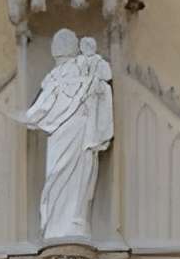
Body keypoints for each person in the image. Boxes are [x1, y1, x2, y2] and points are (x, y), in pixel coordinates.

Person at [15, 28, 113, 245]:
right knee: (59, 173)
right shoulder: (55, 77)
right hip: (63, 135)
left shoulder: (83, 68)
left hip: (80, 132)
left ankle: (74, 221)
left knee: (79, 174)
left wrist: (92, 59)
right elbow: (43, 105)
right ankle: (59, 225)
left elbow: (105, 77)